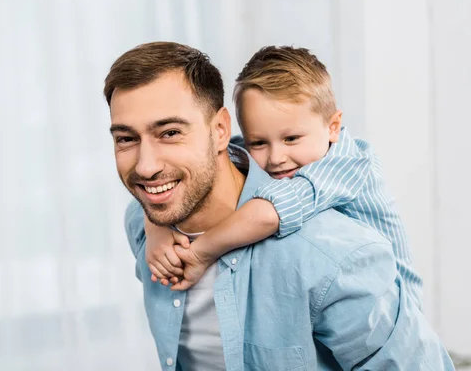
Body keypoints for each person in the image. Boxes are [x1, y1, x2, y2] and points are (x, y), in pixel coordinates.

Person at [104, 41, 453, 370]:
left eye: (170, 133)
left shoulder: (327, 252)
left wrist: (200, 251)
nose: (146, 166)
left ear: (220, 130)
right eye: (126, 138)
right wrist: (156, 226)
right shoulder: (145, 219)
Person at [145, 46, 424, 312]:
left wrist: (199, 253)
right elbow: (184, 179)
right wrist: (157, 231)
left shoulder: (349, 164)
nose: (276, 157)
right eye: (259, 142)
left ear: (333, 127)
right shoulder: (249, 150)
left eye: (291, 139)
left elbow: (269, 213)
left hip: (389, 309)